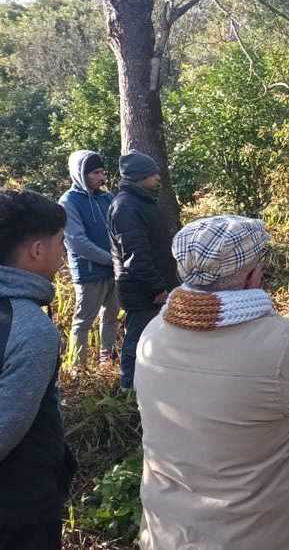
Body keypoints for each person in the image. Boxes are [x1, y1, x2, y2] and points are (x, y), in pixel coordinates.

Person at [135, 215, 289, 550]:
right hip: (255, 534)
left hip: (170, 530)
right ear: (252, 275)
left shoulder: (153, 334)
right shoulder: (279, 344)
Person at [0, 190, 77, 549]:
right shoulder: (30, 328)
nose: (62, 255)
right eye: (60, 242)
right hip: (19, 508)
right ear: (36, 250)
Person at [107, 151, 178, 389]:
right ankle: (128, 387)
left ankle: (152, 383)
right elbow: (135, 255)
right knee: (137, 337)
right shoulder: (125, 206)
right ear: (139, 176)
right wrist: (157, 287)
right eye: (152, 173)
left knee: (155, 336)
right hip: (140, 288)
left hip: (154, 284)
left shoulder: (144, 201)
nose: (158, 177)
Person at [58, 150, 120, 368]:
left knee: (111, 318)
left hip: (113, 269)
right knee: (83, 322)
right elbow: (77, 242)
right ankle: (78, 368)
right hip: (88, 272)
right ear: (81, 173)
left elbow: (117, 230)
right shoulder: (69, 201)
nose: (101, 177)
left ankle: (106, 363)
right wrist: (113, 259)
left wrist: (117, 260)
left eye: (102, 172)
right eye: (95, 172)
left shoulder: (107, 198)